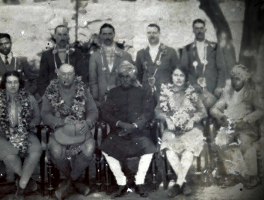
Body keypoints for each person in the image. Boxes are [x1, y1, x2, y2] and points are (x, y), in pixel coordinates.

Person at [99, 61, 156, 198]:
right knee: (106, 149)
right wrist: (120, 123)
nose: (125, 79)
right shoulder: (112, 93)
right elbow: (106, 113)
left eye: (128, 76)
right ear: (119, 78)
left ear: (133, 77)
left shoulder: (142, 93)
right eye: (122, 76)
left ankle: (139, 182)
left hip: (137, 132)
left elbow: (148, 113)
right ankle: (121, 183)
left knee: (149, 149)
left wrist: (135, 125)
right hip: (118, 131)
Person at [41, 64, 98, 200]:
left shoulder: (83, 89)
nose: (66, 77)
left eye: (70, 74)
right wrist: (60, 121)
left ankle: (68, 184)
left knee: (90, 147)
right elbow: (45, 114)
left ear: (74, 75)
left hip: (81, 131)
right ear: (58, 75)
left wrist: (88, 122)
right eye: (63, 74)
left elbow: (93, 111)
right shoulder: (50, 90)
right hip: (60, 132)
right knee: (55, 150)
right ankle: (76, 183)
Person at [0, 71, 42, 197]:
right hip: (1, 136)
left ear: (20, 83)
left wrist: (26, 126)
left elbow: (37, 118)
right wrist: (3, 128)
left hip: (24, 133)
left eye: (15, 82)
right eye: (9, 82)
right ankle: (28, 181)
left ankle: (22, 185)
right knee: (11, 157)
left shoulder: (29, 98)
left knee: (36, 150)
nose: (13, 85)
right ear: (4, 84)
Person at [155, 65, 207, 198]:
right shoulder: (166, 92)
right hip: (173, 130)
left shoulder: (192, 92)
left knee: (188, 149)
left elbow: (202, 111)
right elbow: (157, 111)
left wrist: (193, 120)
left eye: (181, 75)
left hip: (190, 130)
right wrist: (167, 119)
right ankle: (183, 183)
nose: (178, 78)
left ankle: (177, 185)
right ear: (171, 77)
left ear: (185, 77)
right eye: (175, 75)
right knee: (169, 148)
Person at [210, 64, 264, 189]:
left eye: (238, 79)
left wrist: (246, 119)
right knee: (220, 142)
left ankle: (252, 176)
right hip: (229, 126)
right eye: (233, 78)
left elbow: (261, 110)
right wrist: (221, 116)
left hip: (247, 127)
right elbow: (214, 109)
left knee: (244, 143)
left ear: (244, 79)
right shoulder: (227, 92)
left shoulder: (251, 93)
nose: (235, 81)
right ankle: (233, 174)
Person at [89, 23, 134, 106]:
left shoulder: (125, 55)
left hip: (121, 99)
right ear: (100, 36)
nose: (107, 37)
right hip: (102, 101)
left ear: (114, 34)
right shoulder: (95, 57)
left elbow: (130, 79)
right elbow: (93, 81)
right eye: (104, 34)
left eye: (110, 34)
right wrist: (95, 100)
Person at [180, 19, 226, 99]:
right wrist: (191, 85)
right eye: (197, 28)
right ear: (193, 30)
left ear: (205, 30)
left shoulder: (214, 47)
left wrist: (219, 86)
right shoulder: (187, 48)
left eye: (201, 28)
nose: (199, 31)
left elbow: (221, 68)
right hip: (194, 90)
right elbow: (184, 70)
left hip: (213, 89)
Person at [0, 33, 37, 98]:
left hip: (19, 100)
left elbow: (34, 79)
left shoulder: (20, 60)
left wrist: (27, 94)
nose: (4, 46)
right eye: (0, 44)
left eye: (6, 43)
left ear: (11, 43)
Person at [37, 25, 85, 96]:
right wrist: (46, 96)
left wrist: (78, 94)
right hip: (52, 95)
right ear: (55, 36)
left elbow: (81, 76)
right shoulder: (47, 55)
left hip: (73, 95)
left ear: (68, 36)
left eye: (64, 35)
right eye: (59, 35)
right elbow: (42, 79)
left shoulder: (76, 53)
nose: (62, 38)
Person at [135, 23, 179, 96]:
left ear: (159, 34)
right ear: (146, 34)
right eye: (149, 33)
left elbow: (175, 72)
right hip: (146, 93)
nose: (151, 35)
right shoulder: (141, 53)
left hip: (165, 93)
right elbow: (138, 75)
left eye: (154, 33)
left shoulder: (170, 51)